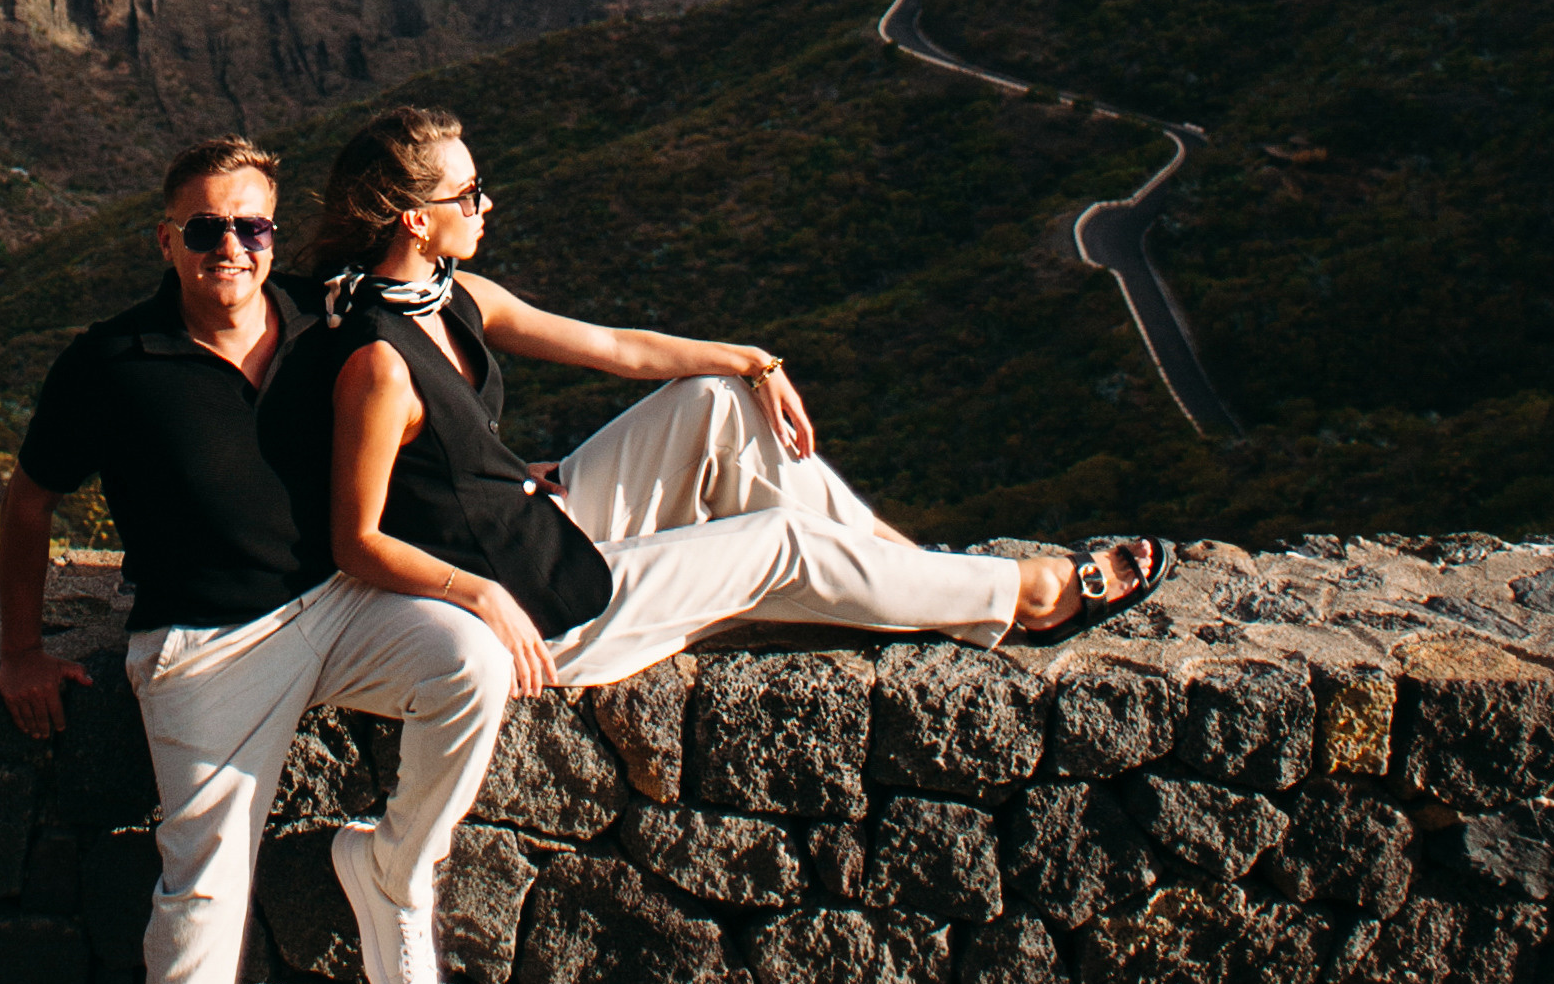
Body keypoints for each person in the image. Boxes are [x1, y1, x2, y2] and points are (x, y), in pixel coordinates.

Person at [0, 131, 513, 984]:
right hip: (203, 648)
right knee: (199, 900)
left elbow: (428, 396)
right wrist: (19, 652)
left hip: (333, 607)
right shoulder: (110, 358)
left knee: (475, 663)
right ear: (164, 237)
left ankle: (393, 864)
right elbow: (29, 498)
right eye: (204, 226)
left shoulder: (324, 324)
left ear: (277, 236)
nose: (229, 246)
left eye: (251, 225)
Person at [273, 102, 1171, 695]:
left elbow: (617, 349)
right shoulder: (378, 361)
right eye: (469, 193)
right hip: (543, 607)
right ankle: (1029, 597)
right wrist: (480, 593)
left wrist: (751, 361)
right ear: (415, 219)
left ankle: (912, 577)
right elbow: (358, 539)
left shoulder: (456, 296)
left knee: (712, 401)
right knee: (779, 540)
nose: (487, 204)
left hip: (536, 527)